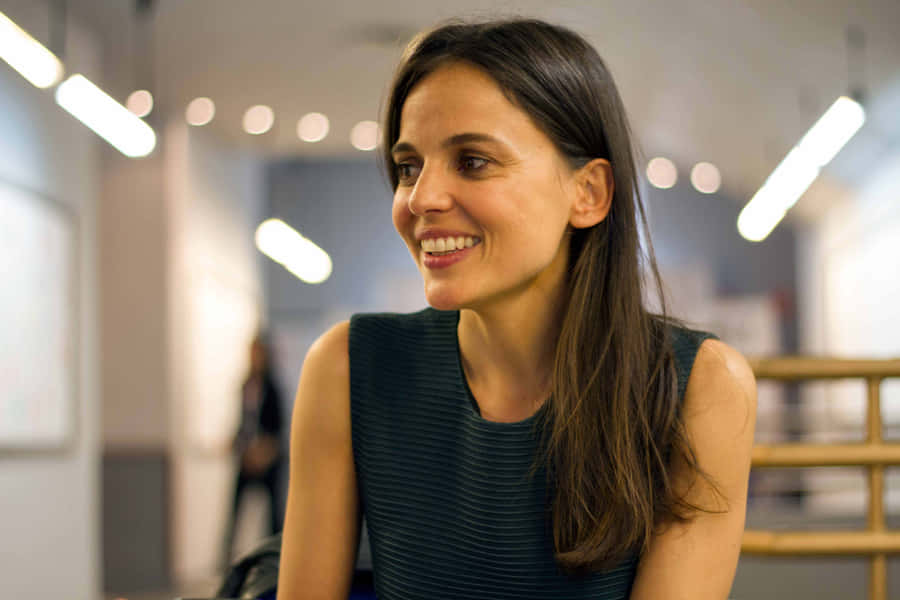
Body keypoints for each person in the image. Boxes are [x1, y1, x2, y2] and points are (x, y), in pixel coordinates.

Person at [277, 18, 756, 600]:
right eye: (409, 167)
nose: (421, 198)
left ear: (588, 193)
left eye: (473, 161)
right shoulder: (348, 368)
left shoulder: (700, 386)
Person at [222, 332, 285, 568]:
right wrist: (236, 443)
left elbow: (278, 428)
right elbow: (244, 424)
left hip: (269, 460)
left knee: (274, 517)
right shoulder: (245, 385)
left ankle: (275, 562)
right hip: (246, 457)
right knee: (234, 514)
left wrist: (266, 451)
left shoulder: (274, 388)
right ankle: (226, 564)